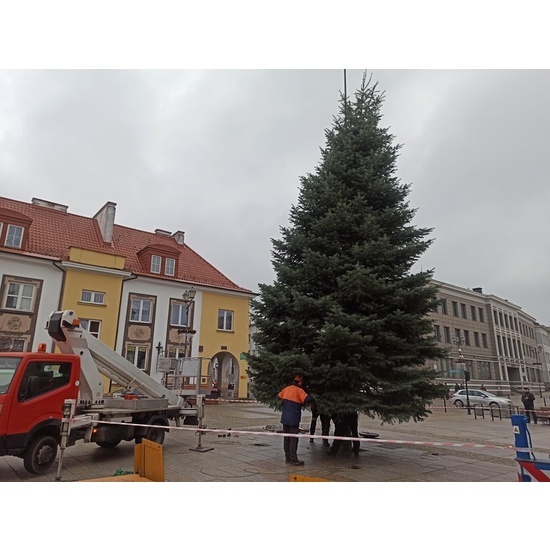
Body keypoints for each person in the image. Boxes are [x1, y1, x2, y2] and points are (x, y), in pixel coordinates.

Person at [278, 374, 313, 465]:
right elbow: (307, 399)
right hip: (293, 418)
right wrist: (312, 394)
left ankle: (287, 458)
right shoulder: (299, 390)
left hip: (285, 418)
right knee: (293, 439)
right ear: (300, 382)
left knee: (287, 438)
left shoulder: (287, 388)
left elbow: (279, 396)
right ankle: (294, 459)